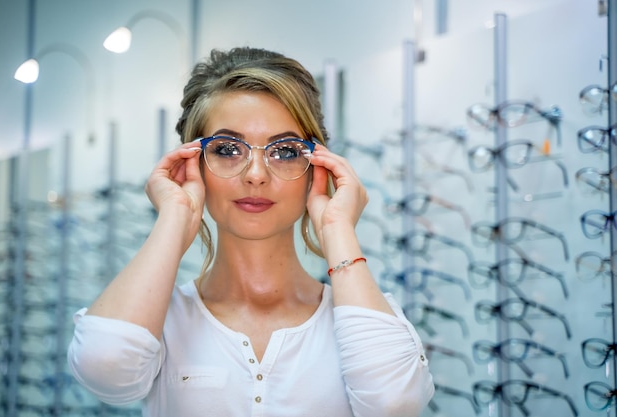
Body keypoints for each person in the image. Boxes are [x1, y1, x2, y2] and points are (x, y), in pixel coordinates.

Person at [67, 46, 434, 417]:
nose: (256, 174)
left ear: (315, 167)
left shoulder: (361, 318)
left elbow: (394, 405)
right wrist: (174, 217)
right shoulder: (158, 320)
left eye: (285, 151)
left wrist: (338, 230)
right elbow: (104, 368)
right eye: (228, 149)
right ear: (192, 164)